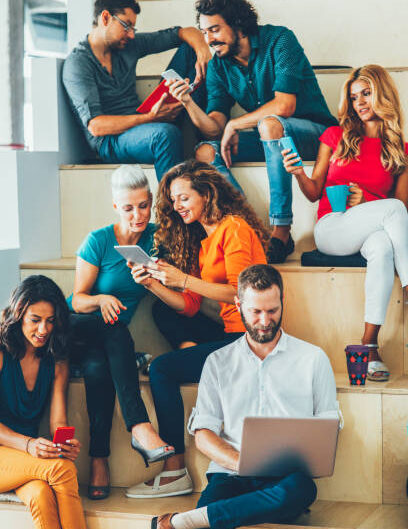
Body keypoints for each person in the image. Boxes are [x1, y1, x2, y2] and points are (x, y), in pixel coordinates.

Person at [150, 263, 339, 529]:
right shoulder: (217, 362)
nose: (265, 320)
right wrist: (243, 462)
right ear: (238, 305)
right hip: (229, 475)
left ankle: (184, 521)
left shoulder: (313, 359)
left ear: (282, 302)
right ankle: (201, 520)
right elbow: (203, 435)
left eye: (272, 310)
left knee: (302, 489)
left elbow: (328, 426)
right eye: (256, 311)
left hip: (285, 479)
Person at [126, 159, 269, 498]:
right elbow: (189, 305)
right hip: (226, 334)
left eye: (184, 198)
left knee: (161, 369)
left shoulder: (233, 228)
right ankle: (194, 353)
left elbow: (242, 295)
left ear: (206, 193)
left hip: (248, 338)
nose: (177, 206)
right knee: (165, 309)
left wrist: (184, 279)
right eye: (173, 201)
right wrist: (154, 284)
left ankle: (174, 469)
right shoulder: (203, 243)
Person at [164, 0, 337, 262]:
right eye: (204, 32)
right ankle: (251, 228)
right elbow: (215, 127)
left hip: (315, 136)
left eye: (214, 30)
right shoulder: (219, 66)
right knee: (206, 152)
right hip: (269, 137)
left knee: (269, 124)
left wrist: (236, 124)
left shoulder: (280, 39)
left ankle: (281, 231)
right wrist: (188, 102)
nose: (208, 39)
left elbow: (285, 105)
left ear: (238, 25)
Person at [282, 64, 408, 381]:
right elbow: (313, 193)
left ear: (384, 93)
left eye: (366, 93)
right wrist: (298, 172)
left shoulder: (401, 150)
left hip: (372, 228)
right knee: (389, 212)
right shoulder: (335, 136)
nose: (360, 102)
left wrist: (367, 203)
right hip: (332, 227)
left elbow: (402, 208)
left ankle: (369, 345)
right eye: (354, 97)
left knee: (382, 247)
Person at [68, 164, 174, 500]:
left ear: (151, 202)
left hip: (108, 341)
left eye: (143, 205)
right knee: (115, 331)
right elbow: (76, 300)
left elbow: (176, 289)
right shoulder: (98, 240)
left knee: (100, 368)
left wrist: (154, 279)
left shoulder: (159, 240)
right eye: (128, 208)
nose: (137, 215)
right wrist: (101, 298)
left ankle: (99, 460)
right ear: (116, 207)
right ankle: (140, 427)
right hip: (75, 328)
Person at [63, 0, 211, 179]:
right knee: (164, 135)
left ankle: (206, 141)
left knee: (189, 50)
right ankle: (170, 205)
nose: (131, 35)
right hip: (111, 141)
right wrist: (150, 118)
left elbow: (183, 32)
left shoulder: (126, 45)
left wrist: (204, 52)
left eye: (133, 28)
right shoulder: (78, 63)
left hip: (146, 120)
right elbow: (96, 126)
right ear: (105, 17)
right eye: (126, 26)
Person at [0, 275, 88, 529]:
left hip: (21, 458)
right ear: (18, 315)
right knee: (62, 470)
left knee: (40, 494)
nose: (43, 330)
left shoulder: (56, 358)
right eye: (35, 320)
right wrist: (28, 444)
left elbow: (57, 419)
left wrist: (64, 443)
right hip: (12, 449)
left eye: (50, 321)